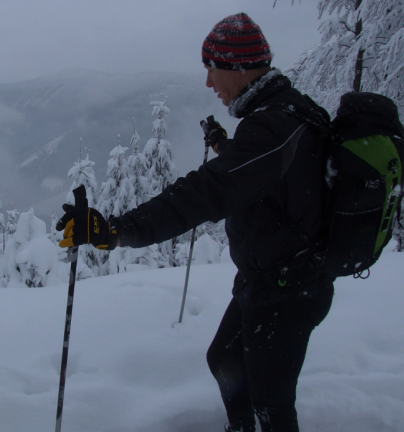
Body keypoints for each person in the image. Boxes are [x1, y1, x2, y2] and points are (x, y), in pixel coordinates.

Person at [56, 12, 334, 432]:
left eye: (211, 69)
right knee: (224, 358)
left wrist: (116, 230)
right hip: (269, 280)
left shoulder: (274, 126)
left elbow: (205, 193)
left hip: (289, 290)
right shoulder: (282, 113)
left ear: (237, 66)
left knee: (271, 403)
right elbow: (262, 177)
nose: (208, 83)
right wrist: (226, 145)